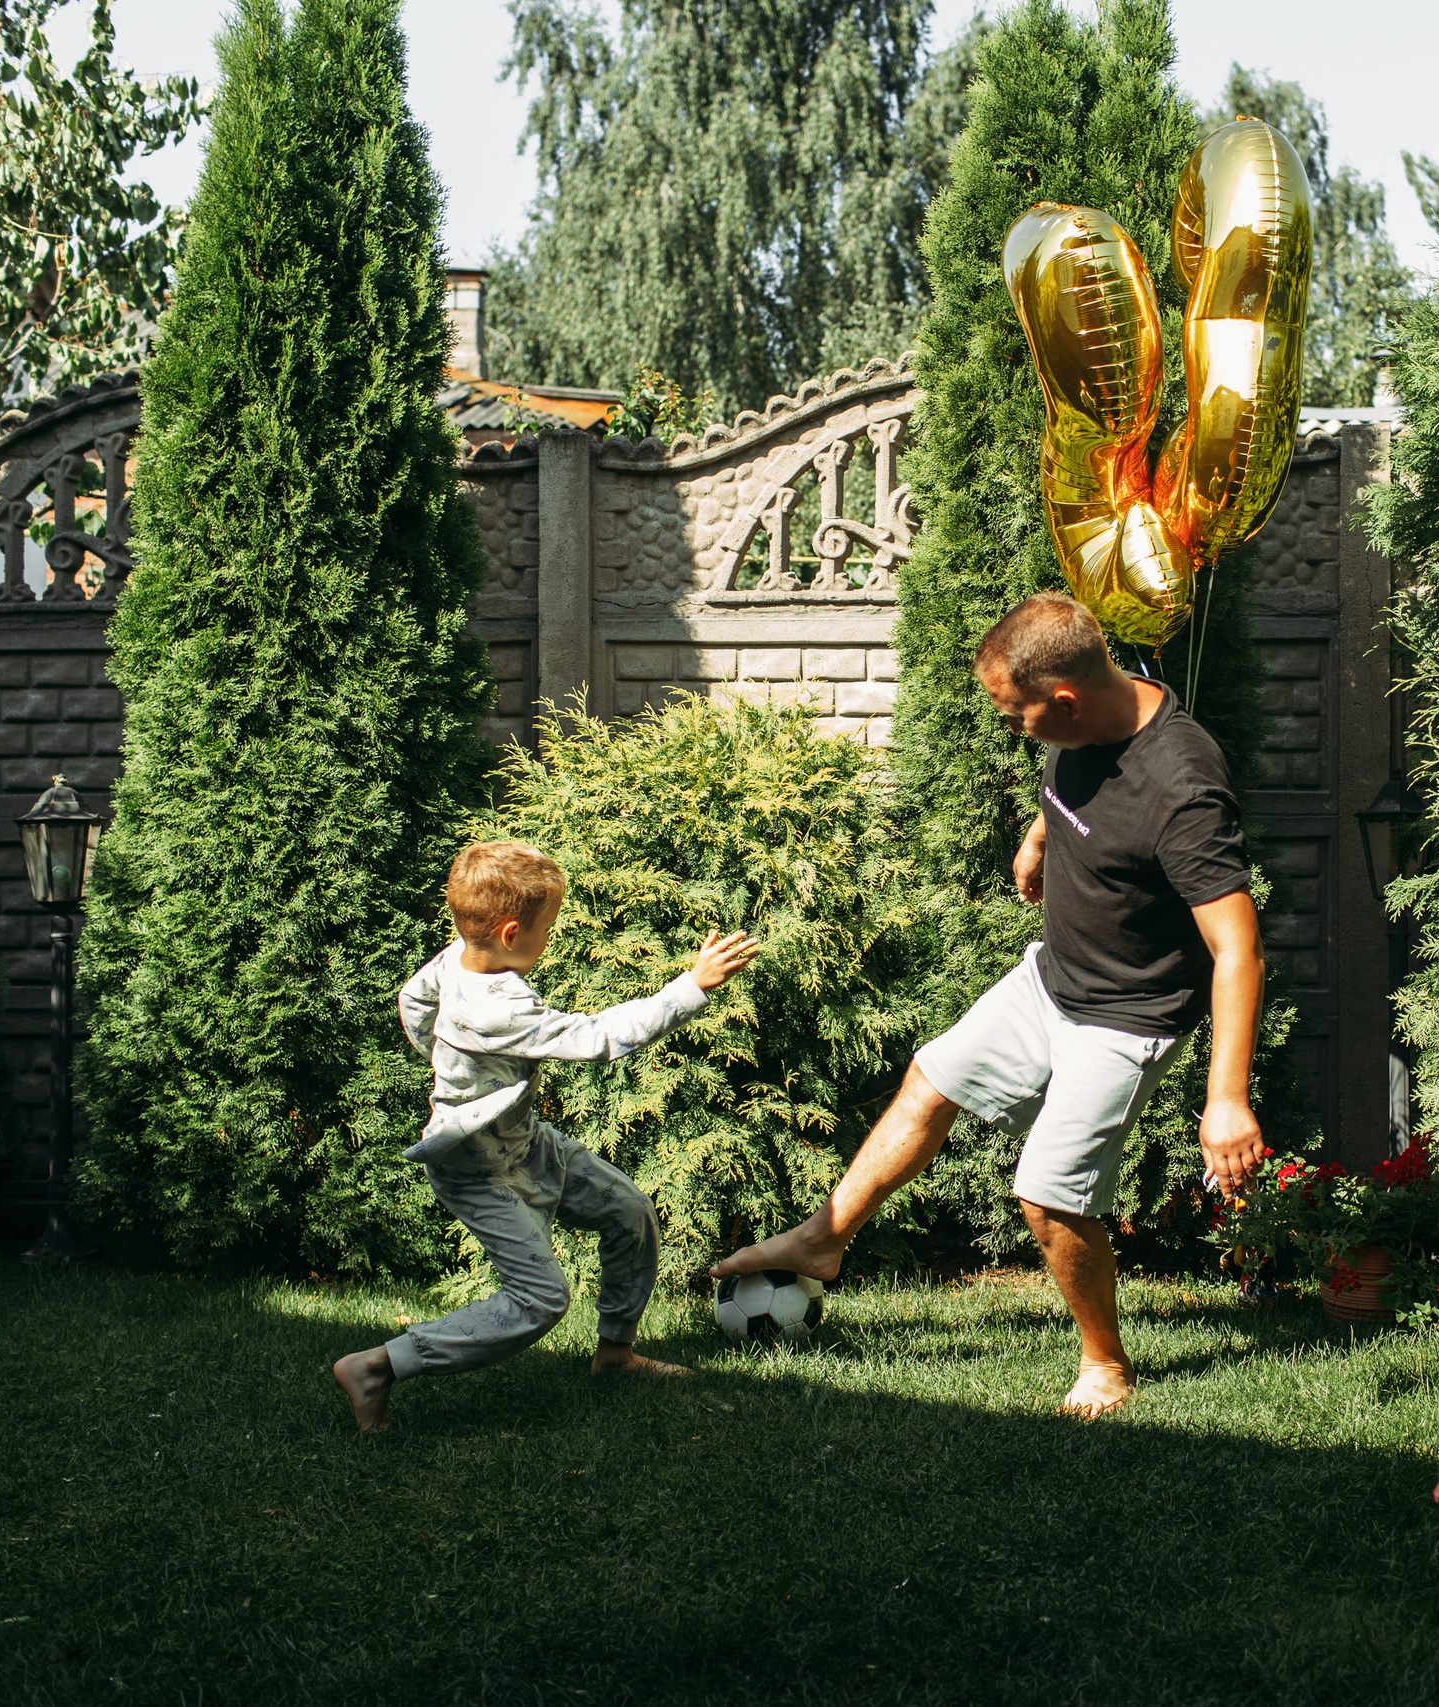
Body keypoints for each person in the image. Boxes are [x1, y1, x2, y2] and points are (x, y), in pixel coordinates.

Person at [714, 592, 1265, 1417]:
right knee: (931, 1079)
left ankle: (1106, 1361)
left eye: (1018, 716)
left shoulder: (1180, 787)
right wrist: (1039, 838)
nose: (1013, 728)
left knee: (1049, 1194)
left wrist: (1225, 1098)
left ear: (1066, 700)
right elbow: (1071, 784)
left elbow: (1238, 949)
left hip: (1127, 1013)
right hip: (1054, 976)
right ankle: (823, 1243)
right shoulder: (1085, 717)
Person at [332, 840, 759, 1433]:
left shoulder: (459, 955)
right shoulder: (495, 1008)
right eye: (548, 928)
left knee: (629, 1213)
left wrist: (441, 1055)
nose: (551, 938)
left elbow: (414, 1000)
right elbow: (597, 1039)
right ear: (510, 933)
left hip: (525, 1143)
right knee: (539, 1300)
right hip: (480, 1172)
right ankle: (378, 1367)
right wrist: (691, 987)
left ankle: (615, 1354)